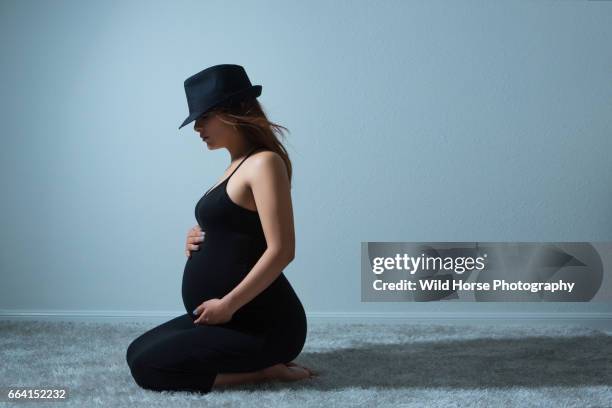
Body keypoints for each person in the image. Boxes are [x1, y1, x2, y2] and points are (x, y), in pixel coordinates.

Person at [126, 64, 316, 393]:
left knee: (148, 368)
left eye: (203, 117)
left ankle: (267, 372)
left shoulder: (264, 163)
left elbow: (282, 249)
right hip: (229, 319)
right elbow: (236, 229)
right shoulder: (234, 166)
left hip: (262, 323)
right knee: (136, 352)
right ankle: (260, 363)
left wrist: (227, 305)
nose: (197, 127)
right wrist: (199, 237)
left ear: (233, 111)